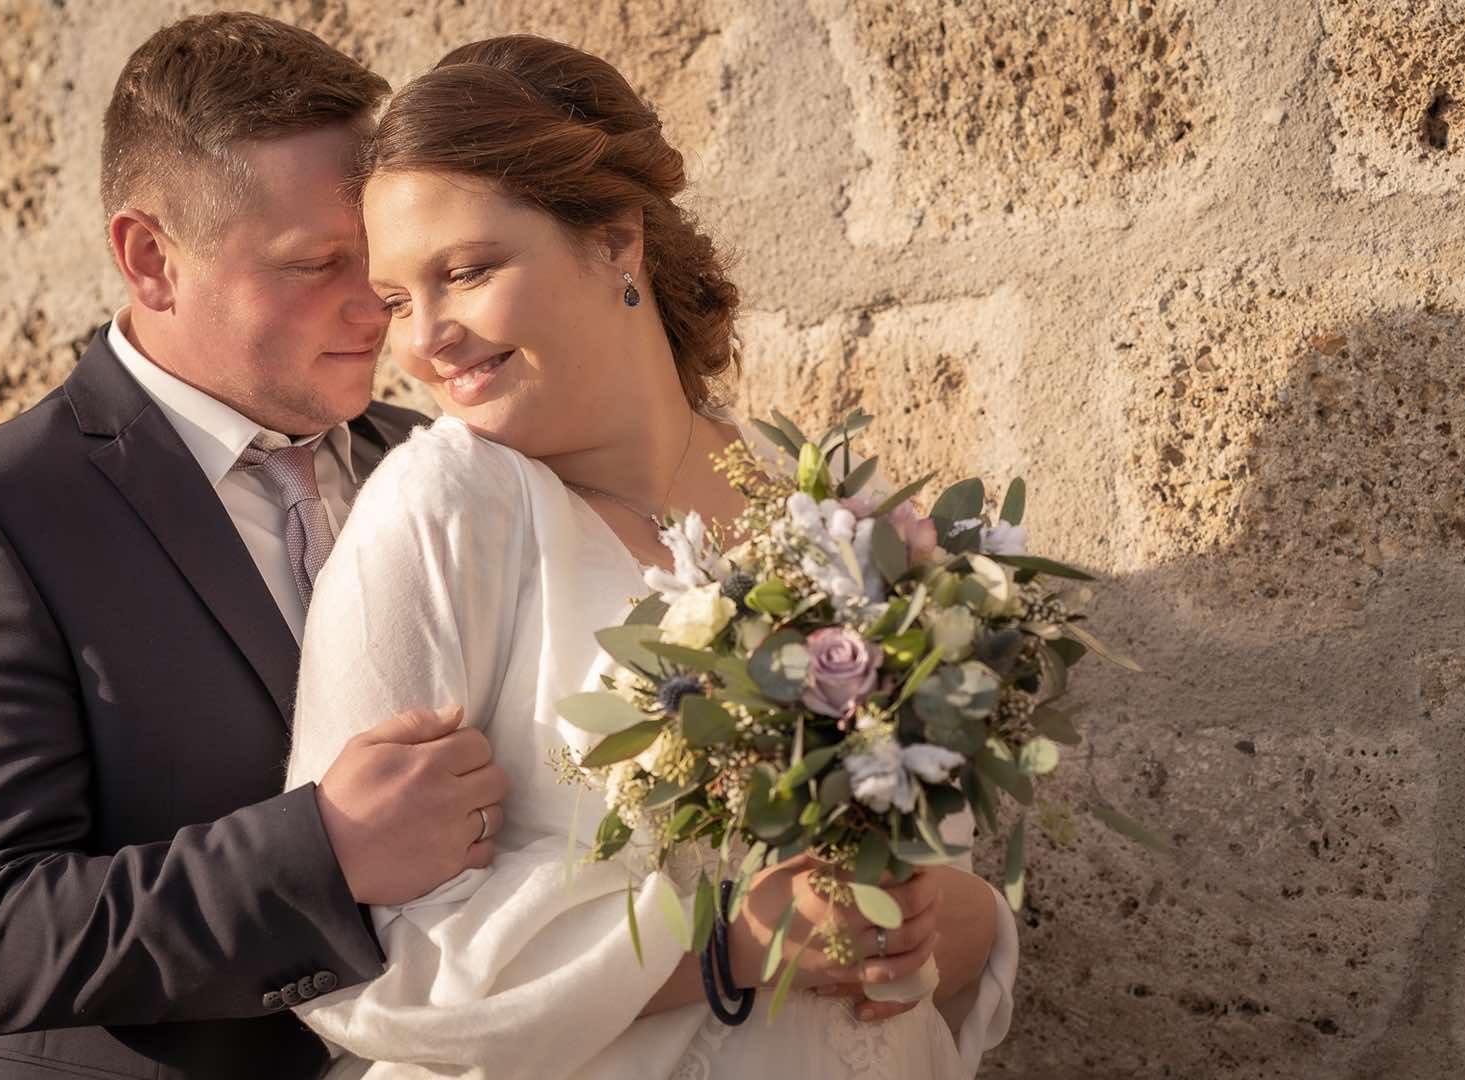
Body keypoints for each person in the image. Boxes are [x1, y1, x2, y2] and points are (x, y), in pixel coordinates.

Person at [283, 35, 1020, 1079]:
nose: (424, 340)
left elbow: (916, 869)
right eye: (399, 298)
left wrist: (957, 925)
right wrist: (727, 940)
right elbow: (370, 958)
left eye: (466, 272)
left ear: (616, 241)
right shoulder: (444, 506)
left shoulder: (814, 503)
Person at [0, 14, 508, 1078]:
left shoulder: (441, 465)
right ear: (151, 259)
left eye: (381, 258)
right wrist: (328, 851)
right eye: (316, 264)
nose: (378, 306)